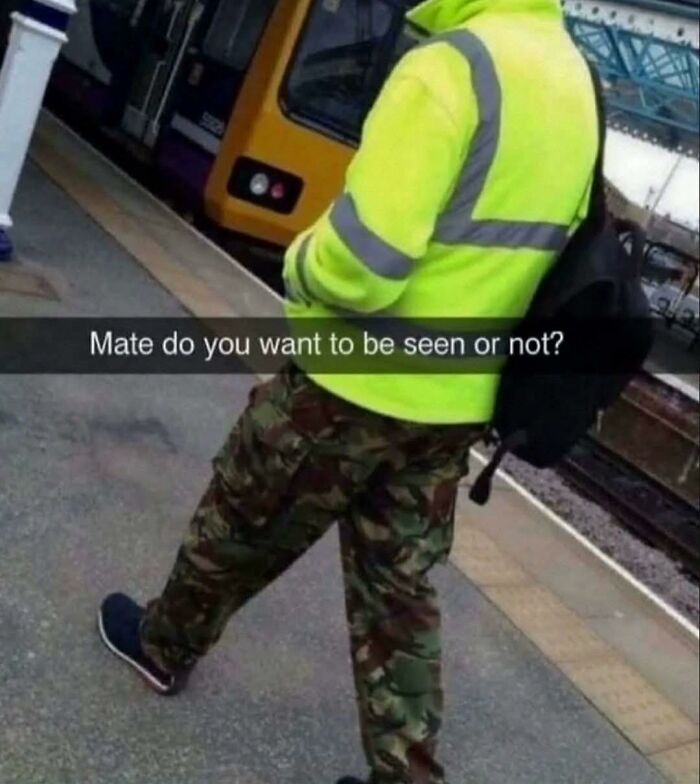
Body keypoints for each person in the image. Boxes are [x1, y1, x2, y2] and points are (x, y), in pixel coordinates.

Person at [97, 0, 598, 782]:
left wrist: (300, 263)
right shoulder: (577, 85)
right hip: (454, 404)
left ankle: (163, 648)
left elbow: (365, 265)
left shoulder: (451, 66)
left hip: (350, 383)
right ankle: (406, 775)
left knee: (240, 521)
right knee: (399, 599)